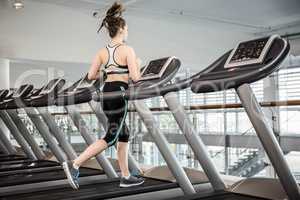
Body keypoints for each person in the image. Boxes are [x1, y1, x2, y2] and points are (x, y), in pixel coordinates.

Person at [63, 1, 144, 190]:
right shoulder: (128, 50)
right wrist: (137, 63)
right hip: (119, 93)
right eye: (127, 28)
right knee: (112, 136)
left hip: (107, 92)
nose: (128, 31)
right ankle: (74, 164)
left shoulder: (102, 52)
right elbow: (135, 77)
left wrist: (109, 71)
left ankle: (125, 176)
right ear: (122, 29)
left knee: (124, 133)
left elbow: (91, 76)